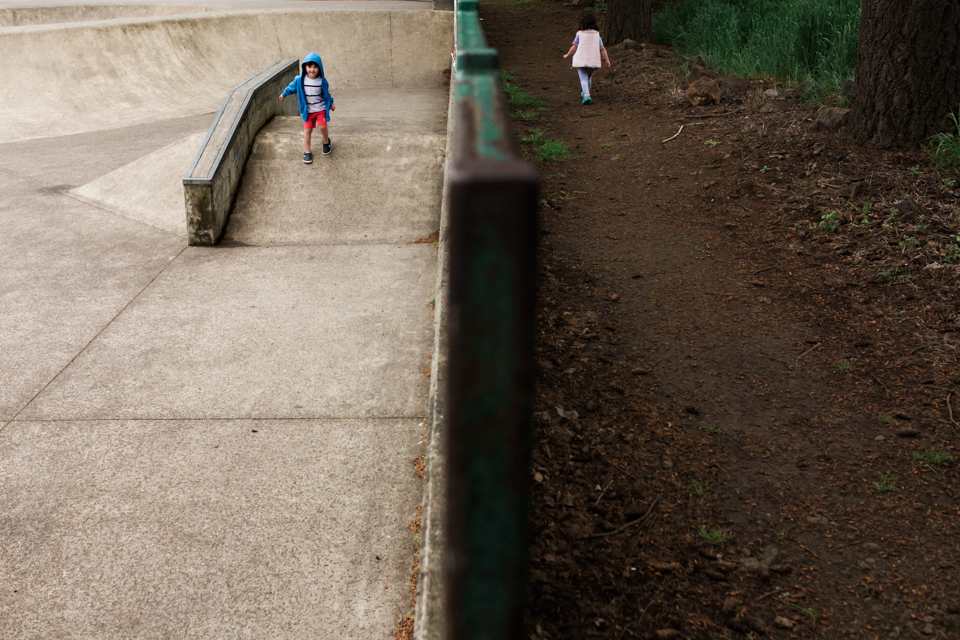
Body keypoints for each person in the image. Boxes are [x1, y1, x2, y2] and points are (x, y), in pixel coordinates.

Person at [279, 52, 336, 164]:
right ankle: (307, 152)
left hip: (320, 109)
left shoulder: (322, 81)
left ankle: (326, 142)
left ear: (320, 68)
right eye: (309, 67)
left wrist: (331, 103)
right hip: (308, 111)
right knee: (307, 131)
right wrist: (284, 94)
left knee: (323, 127)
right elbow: (291, 87)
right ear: (305, 67)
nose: (312, 70)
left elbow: (327, 94)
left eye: (315, 67)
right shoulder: (300, 80)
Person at [562, 12, 610, 105]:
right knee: (588, 77)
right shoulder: (597, 35)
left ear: (582, 24)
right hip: (593, 61)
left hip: (582, 60)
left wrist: (567, 55)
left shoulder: (580, 34)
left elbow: (574, 47)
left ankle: (586, 95)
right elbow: (602, 48)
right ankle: (585, 92)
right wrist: (607, 60)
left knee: (583, 77)